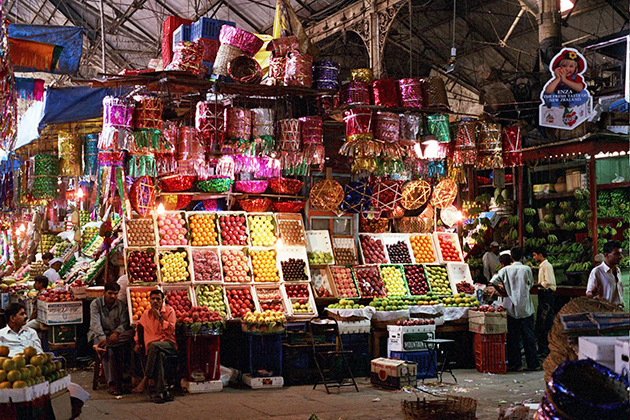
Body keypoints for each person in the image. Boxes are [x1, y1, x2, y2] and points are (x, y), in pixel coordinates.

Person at [491, 247, 539, 372]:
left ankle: (516, 364)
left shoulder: (506, 269)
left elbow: (493, 281)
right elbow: (531, 283)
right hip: (526, 307)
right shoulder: (526, 269)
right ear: (522, 257)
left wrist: (503, 292)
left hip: (511, 308)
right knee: (529, 337)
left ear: (511, 257)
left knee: (513, 338)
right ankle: (533, 364)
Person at [88, 282, 133, 395]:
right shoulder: (96, 304)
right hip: (99, 334)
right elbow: (95, 324)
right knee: (108, 350)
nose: (113, 296)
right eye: (110, 293)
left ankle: (124, 378)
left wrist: (117, 332)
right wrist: (103, 338)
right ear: (104, 293)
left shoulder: (121, 305)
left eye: (115, 294)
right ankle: (112, 384)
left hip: (115, 336)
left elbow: (124, 323)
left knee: (130, 333)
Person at [133, 289, 177, 403]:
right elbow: (139, 329)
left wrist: (160, 319)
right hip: (155, 350)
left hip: (168, 344)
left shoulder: (169, 311)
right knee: (159, 356)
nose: (155, 301)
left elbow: (171, 330)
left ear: (162, 301)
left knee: (154, 346)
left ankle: (146, 378)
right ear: (149, 301)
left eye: (158, 299)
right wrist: (137, 343)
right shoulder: (146, 315)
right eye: (153, 299)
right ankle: (161, 393)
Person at [532, 246, 556, 358]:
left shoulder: (547, 266)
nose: (534, 257)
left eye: (535, 255)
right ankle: (543, 348)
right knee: (542, 323)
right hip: (543, 294)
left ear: (540, 255)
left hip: (546, 295)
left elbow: (548, 282)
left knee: (545, 322)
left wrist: (539, 284)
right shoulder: (542, 266)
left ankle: (546, 349)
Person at [586, 241, 624, 307]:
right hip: (605, 311)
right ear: (606, 255)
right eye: (616, 254)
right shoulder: (597, 271)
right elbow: (588, 293)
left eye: (620, 253)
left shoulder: (618, 270)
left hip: (618, 309)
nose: (620, 256)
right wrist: (593, 293)